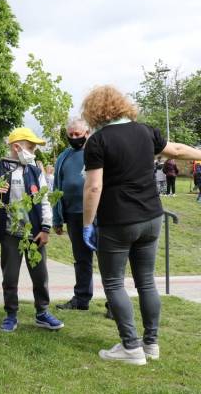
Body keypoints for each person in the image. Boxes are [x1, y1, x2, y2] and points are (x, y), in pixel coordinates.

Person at [81, 85, 201, 365]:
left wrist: (88, 224)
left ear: (94, 111)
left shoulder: (97, 141)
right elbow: (179, 150)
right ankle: (151, 345)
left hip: (118, 221)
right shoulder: (146, 131)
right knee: (146, 282)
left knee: (113, 282)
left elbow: (93, 188)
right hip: (151, 217)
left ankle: (131, 348)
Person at [0, 127, 64, 333]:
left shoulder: (35, 170)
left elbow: (44, 200)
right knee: (10, 276)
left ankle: (42, 312)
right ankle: (11, 314)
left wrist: (45, 228)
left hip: (34, 234)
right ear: (17, 147)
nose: (34, 152)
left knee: (40, 275)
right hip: (10, 234)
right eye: (31, 147)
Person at [53, 118, 95, 311]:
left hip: (97, 215)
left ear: (87, 132)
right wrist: (57, 218)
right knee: (81, 259)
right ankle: (81, 299)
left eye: (78, 134)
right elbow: (56, 188)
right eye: (71, 135)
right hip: (72, 215)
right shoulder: (63, 156)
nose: (74, 138)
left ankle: (113, 303)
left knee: (107, 259)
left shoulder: (95, 152)